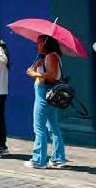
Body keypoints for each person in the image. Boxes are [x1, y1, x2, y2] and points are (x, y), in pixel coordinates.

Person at [25, 35, 67, 169]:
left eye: (39, 43)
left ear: (46, 44)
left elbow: (51, 75)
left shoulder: (51, 56)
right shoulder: (48, 57)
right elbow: (47, 75)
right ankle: (58, 158)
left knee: (39, 127)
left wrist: (34, 74)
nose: (37, 45)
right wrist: (37, 67)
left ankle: (39, 160)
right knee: (53, 127)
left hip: (44, 95)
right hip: (48, 94)